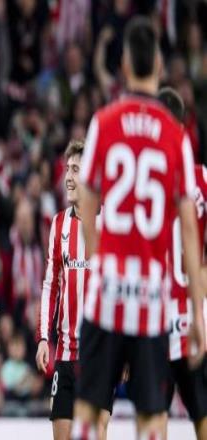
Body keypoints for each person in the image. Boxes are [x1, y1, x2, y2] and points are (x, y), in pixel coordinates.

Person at [73, 16, 205, 440]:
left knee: (89, 411)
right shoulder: (175, 137)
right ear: (160, 67)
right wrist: (197, 312)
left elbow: (86, 204)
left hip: (108, 290)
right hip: (152, 297)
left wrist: (99, 264)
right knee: (151, 418)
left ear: (125, 66)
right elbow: (189, 230)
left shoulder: (104, 122)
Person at [36, 140, 111, 440]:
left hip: (101, 353)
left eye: (76, 170)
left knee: (96, 431)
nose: (68, 176)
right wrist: (44, 338)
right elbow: (50, 285)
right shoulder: (59, 225)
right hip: (66, 355)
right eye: (67, 169)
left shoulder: (109, 224)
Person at [158, 87, 207, 439]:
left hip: (155, 322)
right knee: (202, 413)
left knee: (154, 415)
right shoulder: (203, 180)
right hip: (194, 318)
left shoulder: (144, 183)